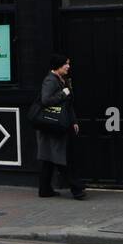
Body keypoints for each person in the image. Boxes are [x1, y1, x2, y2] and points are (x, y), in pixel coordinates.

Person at [35, 53, 86, 200]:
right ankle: (77, 189)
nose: (69, 66)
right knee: (60, 157)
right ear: (58, 65)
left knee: (48, 159)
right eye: (66, 64)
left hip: (56, 124)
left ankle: (44, 190)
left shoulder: (62, 79)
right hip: (51, 126)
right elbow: (45, 100)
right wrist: (63, 94)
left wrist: (74, 121)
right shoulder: (50, 80)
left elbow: (68, 105)